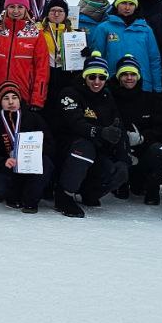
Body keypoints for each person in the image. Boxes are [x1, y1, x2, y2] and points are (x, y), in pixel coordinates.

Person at [53, 55, 130, 216]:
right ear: (84, 76)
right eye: (92, 76)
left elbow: (119, 126)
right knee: (84, 148)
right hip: (68, 149)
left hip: (97, 149)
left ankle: (88, 193)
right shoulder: (70, 93)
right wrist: (100, 132)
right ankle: (64, 195)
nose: (97, 81)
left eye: (101, 77)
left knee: (118, 170)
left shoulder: (106, 96)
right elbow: (76, 124)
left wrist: (123, 156)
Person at [0, 81, 54, 213]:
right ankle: (11, 196)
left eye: (14, 98)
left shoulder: (33, 118)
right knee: (1, 185)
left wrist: (35, 153)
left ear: (20, 100)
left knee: (46, 163)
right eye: (6, 98)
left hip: (30, 168)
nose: (11, 102)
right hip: (7, 169)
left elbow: (50, 144)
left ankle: (31, 201)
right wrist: (3, 162)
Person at [109, 55, 162, 205]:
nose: (129, 78)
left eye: (132, 74)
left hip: (144, 152)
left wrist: (143, 137)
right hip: (120, 151)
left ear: (138, 76)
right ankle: (120, 184)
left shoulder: (151, 100)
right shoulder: (110, 99)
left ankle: (152, 189)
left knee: (158, 150)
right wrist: (123, 140)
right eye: (124, 74)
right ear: (118, 77)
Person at [0, 0, 49, 110]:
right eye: (12, 6)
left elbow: (42, 69)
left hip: (23, 97)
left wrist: (37, 99)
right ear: (6, 8)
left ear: (26, 9)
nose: (16, 11)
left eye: (20, 7)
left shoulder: (35, 34)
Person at [88, 0, 162, 94]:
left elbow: (154, 60)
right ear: (117, 4)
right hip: (113, 85)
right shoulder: (104, 28)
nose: (127, 7)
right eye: (123, 3)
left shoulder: (145, 29)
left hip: (143, 86)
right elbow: (97, 57)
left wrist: (157, 88)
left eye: (131, 4)